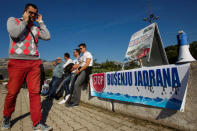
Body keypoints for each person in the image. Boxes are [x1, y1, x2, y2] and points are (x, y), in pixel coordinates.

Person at [1, 3, 52, 131]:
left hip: (34, 62)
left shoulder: (35, 28)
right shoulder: (13, 21)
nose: (33, 15)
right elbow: (14, 33)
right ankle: (7, 116)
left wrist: (41, 22)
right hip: (17, 61)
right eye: (31, 12)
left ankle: (37, 123)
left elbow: (47, 36)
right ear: (25, 12)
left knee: (34, 93)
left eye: (35, 13)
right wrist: (24, 21)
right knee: (12, 92)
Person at [66, 43, 93, 107]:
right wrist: (72, 68)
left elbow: (87, 64)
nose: (80, 50)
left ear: (84, 48)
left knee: (76, 84)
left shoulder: (88, 54)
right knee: (75, 84)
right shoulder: (82, 56)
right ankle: (73, 100)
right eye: (79, 49)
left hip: (86, 70)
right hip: (81, 69)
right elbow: (79, 64)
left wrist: (79, 70)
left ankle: (76, 102)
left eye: (81, 48)